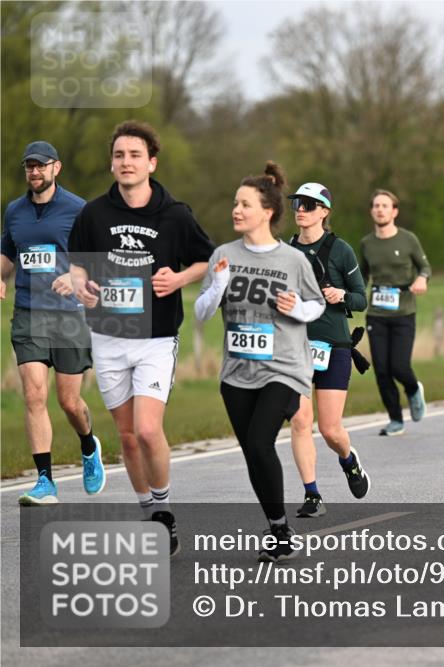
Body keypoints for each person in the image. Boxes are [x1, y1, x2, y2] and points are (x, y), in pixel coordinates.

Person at [54, 121, 214, 554]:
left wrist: (178, 278)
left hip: (156, 338)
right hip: (108, 336)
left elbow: (209, 261)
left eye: (135, 155)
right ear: (112, 163)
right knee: (126, 436)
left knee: (146, 429)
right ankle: (149, 511)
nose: (127, 162)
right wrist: (81, 285)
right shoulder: (93, 214)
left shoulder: (175, 214)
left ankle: (164, 509)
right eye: (120, 155)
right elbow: (78, 266)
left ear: (151, 163)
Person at [195, 162, 325, 562]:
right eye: (235, 203)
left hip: (283, 367)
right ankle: (278, 528)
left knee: (258, 441)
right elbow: (201, 312)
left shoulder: (292, 260)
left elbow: (317, 304)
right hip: (237, 371)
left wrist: (298, 308)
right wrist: (218, 286)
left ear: (267, 211)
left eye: (245, 204)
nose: (236, 210)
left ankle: (282, 532)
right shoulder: (223, 255)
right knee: (253, 452)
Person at [1, 141, 104, 505]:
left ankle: (88, 446)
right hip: (29, 311)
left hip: (69, 315)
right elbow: (7, 252)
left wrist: (76, 278)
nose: (34, 171)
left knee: (69, 401)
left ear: (56, 168)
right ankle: (44, 480)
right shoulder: (14, 211)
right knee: (33, 393)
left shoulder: (79, 209)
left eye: (41, 165)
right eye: (29, 166)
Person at [286, 182, 371, 518]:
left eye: (308, 205)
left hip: (334, 345)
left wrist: (341, 295)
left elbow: (361, 299)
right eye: (297, 204)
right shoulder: (286, 250)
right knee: (299, 420)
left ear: (324, 211)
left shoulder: (340, 250)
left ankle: (349, 461)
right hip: (295, 346)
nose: (300, 210)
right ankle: (312, 495)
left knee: (330, 429)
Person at [359, 189, 431, 436]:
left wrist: (422, 278)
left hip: (404, 312)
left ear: (394, 211)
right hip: (377, 314)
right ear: (372, 211)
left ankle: (413, 390)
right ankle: (395, 420)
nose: (380, 210)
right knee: (381, 370)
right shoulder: (367, 244)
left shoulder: (408, 239)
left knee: (399, 366)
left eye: (385, 206)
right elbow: (362, 275)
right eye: (376, 206)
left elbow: (425, 267)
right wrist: (350, 294)